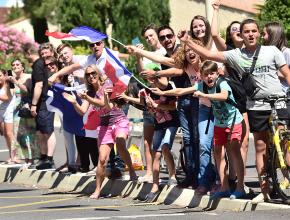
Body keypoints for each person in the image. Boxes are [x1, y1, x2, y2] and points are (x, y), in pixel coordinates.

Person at [177, 18, 290, 203]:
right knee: (260, 147)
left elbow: (286, 73)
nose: (251, 34)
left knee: (284, 142)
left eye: (254, 31)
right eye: (247, 32)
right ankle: (265, 191)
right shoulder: (235, 54)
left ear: (259, 33)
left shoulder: (272, 50)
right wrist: (187, 41)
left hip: (278, 103)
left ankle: (286, 180)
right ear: (241, 35)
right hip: (256, 105)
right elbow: (208, 54)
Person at [127, 25, 200, 189]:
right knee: (188, 140)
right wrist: (156, 85)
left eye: (169, 36)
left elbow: (175, 67)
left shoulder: (181, 50)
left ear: (174, 36)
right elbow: (165, 78)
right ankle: (191, 176)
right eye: (163, 37)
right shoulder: (165, 54)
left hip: (195, 99)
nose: (166, 39)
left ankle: (202, 177)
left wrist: (156, 74)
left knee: (198, 139)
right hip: (180, 100)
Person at [50, 40, 126, 177]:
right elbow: (71, 68)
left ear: (102, 43)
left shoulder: (110, 54)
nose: (95, 47)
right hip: (98, 98)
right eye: (92, 45)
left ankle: (120, 167)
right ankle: (110, 167)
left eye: (97, 44)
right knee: (105, 135)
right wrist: (56, 75)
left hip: (116, 98)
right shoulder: (89, 58)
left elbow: (120, 72)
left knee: (118, 137)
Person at [63, 64, 138, 199]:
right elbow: (82, 111)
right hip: (104, 125)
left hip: (119, 120)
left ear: (98, 74)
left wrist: (87, 99)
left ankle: (131, 170)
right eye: (87, 75)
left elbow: (106, 105)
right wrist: (74, 102)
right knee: (102, 160)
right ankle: (98, 189)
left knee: (120, 144)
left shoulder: (107, 85)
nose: (91, 76)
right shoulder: (90, 92)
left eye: (93, 73)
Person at [211, 0, 249, 192]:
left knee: (245, 143)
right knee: (235, 143)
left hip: (251, 98)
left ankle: (242, 181)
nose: (237, 30)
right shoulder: (228, 52)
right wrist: (216, 11)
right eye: (233, 29)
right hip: (236, 102)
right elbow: (215, 34)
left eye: (239, 28)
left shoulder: (253, 51)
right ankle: (233, 179)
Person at [262, 21, 290, 190]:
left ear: (273, 35)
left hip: (285, 100)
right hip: (272, 101)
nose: (262, 37)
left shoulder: (286, 53)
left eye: (264, 34)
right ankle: (285, 177)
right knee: (276, 142)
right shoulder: (266, 53)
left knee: (284, 141)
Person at [23, 43, 56, 170]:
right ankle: (43, 158)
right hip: (41, 102)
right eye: (42, 53)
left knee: (48, 131)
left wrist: (34, 105)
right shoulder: (40, 64)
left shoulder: (38, 64)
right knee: (40, 131)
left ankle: (49, 159)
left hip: (44, 102)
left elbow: (39, 85)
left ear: (28, 53)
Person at [9, 59, 39, 167]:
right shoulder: (13, 79)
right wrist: (11, 84)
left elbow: (28, 90)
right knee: (19, 136)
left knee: (29, 135)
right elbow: (13, 95)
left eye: (17, 64)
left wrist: (16, 82)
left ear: (22, 66)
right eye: (13, 65)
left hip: (26, 109)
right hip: (16, 110)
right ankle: (26, 159)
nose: (15, 66)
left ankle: (32, 159)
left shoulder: (28, 77)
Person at [0, 69, 15, 164]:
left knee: (9, 134)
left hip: (8, 111)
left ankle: (14, 156)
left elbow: (7, 98)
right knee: (5, 135)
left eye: (0, 75)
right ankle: (11, 155)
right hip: (1, 112)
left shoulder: (8, 84)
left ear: (4, 75)